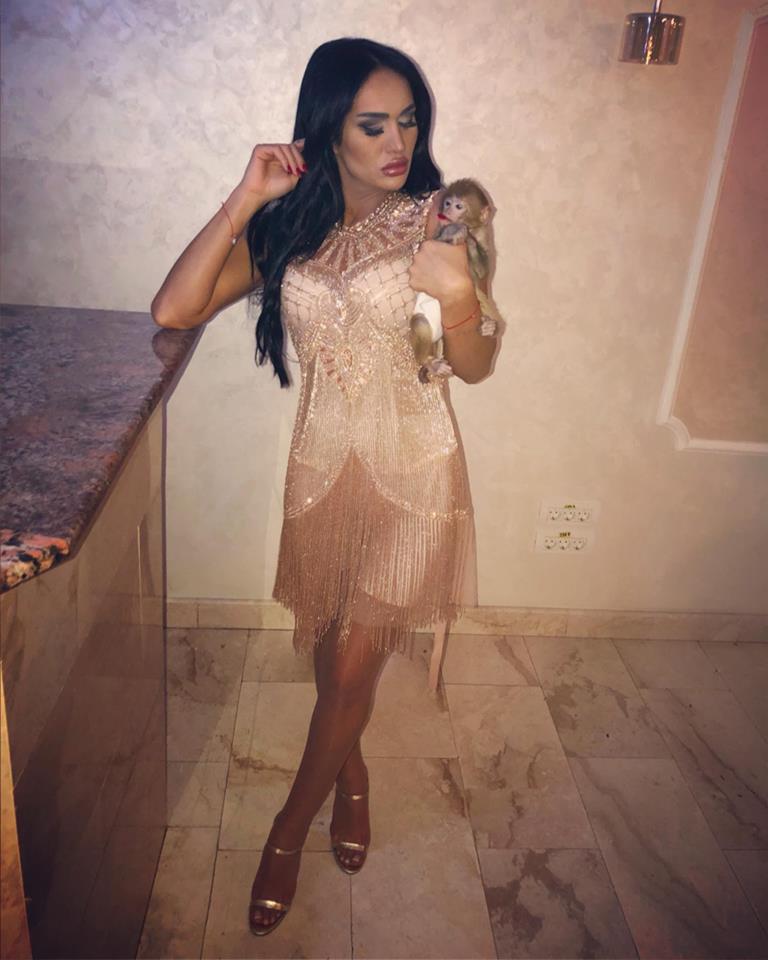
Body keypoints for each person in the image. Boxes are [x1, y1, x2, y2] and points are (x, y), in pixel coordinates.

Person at [151, 36, 496, 937]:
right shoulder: (288, 231)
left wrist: (459, 295)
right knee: (331, 636)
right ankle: (352, 771)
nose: (398, 141)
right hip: (322, 470)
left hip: (414, 474)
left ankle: (285, 828)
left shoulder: (438, 221)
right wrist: (245, 199)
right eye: (372, 124)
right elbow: (174, 308)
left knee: (349, 665)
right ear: (329, 129)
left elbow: (475, 364)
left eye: (408, 120)